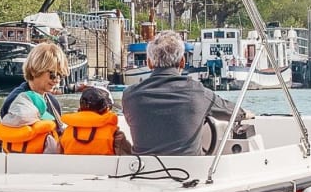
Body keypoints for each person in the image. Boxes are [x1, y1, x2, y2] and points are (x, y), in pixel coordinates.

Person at [122, 30, 251, 155]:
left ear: (149, 63)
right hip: (189, 173)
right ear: (182, 62)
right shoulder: (197, 92)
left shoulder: (130, 96)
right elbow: (231, 112)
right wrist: (246, 114)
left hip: (143, 172)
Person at [0, 42, 69, 152]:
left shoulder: (52, 102)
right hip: (18, 160)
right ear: (34, 71)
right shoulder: (16, 101)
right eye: (52, 74)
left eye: (60, 75)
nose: (56, 80)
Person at [60, 86, 132, 155]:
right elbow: (129, 159)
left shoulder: (65, 133)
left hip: (72, 167)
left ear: (80, 108)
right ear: (105, 109)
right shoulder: (116, 135)